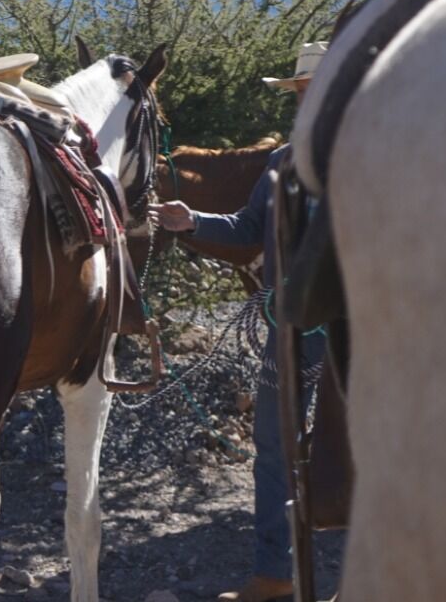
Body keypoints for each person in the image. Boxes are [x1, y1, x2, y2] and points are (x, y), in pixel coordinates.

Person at [149, 41, 336, 602]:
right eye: (300, 94)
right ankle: (275, 574)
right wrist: (192, 220)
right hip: (288, 333)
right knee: (275, 449)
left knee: (356, 450)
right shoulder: (280, 163)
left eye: (315, 91)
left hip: (353, 338)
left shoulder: (369, 155)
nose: (306, 102)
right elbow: (247, 226)